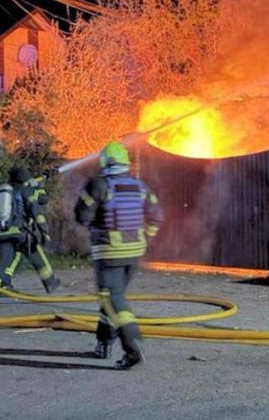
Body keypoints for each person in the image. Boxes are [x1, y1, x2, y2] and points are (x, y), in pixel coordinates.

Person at [75, 140, 163, 370]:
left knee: (112, 298)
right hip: (134, 252)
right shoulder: (140, 186)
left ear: (105, 161)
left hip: (109, 251)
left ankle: (132, 346)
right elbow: (156, 217)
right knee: (112, 298)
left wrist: (95, 219)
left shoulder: (98, 184)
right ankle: (104, 343)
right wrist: (145, 238)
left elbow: (82, 217)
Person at [2, 166, 61, 293]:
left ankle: (4, 284)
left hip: (3, 233)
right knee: (35, 252)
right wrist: (44, 232)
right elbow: (40, 205)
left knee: (8, 258)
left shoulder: (6, 190)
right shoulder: (28, 190)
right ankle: (50, 282)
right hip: (18, 232)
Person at [0, 172, 24, 291]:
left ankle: (6, 283)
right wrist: (4, 225)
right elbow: (4, 212)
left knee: (13, 257)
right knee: (6, 258)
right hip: (6, 232)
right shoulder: (6, 190)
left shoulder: (14, 192)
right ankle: (3, 284)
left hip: (10, 232)